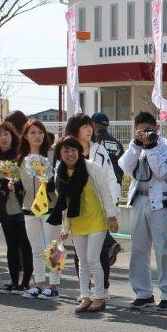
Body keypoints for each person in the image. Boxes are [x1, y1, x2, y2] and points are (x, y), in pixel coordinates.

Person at [47, 136, 119, 314]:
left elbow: (105, 192)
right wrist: (65, 228)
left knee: (93, 259)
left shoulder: (92, 167)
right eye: (65, 151)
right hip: (77, 222)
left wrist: (112, 216)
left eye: (73, 150)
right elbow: (64, 203)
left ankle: (99, 297)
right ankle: (85, 296)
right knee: (82, 261)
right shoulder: (60, 173)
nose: (70, 154)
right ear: (60, 154)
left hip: (96, 220)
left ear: (79, 151)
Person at [121, 111, 167, 310]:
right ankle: (143, 293)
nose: (144, 134)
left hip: (161, 203)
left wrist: (151, 147)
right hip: (139, 200)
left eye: (148, 130)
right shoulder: (136, 147)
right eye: (139, 131)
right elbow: (125, 166)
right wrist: (137, 145)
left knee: (163, 249)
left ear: (157, 128)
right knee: (138, 249)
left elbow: (162, 172)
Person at [64, 114, 122, 289]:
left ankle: (102, 288)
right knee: (80, 254)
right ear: (75, 129)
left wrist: (111, 205)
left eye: (89, 125)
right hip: (77, 210)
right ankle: (85, 291)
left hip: (98, 209)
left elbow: (110, 177)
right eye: (84, 126)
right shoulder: (66, 150)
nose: (89, 129)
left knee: (99, 251)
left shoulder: (99, 150)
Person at [17, 119, 60, 300]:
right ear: (26, 136)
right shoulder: (21, 159)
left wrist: (48, 181)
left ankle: (54, 286)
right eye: (33, 132)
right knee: (36, 248)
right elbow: (21, 185)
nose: (37, 136)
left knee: (53, 248)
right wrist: (14, 185)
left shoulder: (52, 155)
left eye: (40, 132)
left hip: (50, 207)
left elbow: (57, 183)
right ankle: (39, 283)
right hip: (29, 209)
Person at [0, 122, 33, 292]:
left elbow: (29, 178)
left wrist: (18, 184)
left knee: (25, 244)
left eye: (6, 134)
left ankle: (26, 281)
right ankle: (14, 280)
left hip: (24, 203)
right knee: (11, 244)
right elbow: (0, 180)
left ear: (12, 135)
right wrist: (8, 184)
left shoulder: (21, 152)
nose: (3, 138)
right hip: (6, 203)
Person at [90, 111, 124, 189]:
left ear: (94, 124)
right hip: (115, 184)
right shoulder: (117, 144)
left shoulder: (92, 142)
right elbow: (122, 165)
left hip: (97, 184)